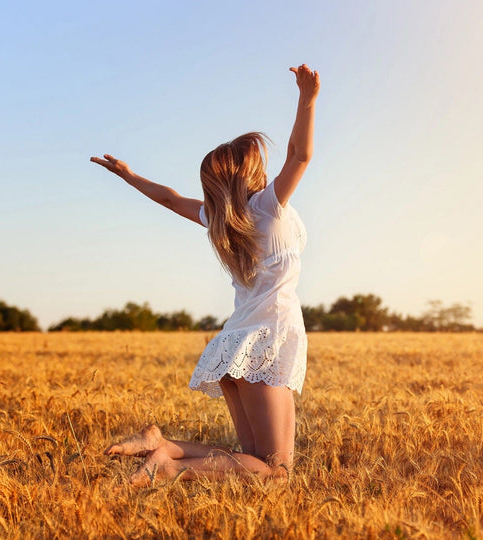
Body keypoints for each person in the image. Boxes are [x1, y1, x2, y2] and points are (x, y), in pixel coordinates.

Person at [91, 64, 319, 486]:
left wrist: (127, 175)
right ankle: (170, 468)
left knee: (250, 458)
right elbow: (300, 156)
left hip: (235, 344)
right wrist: (307, 98)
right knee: (277, 472)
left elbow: (170, 199)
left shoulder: (219, 220)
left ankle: (163, 445)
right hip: (266, 343)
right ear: (251, 176)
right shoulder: (268, 207)